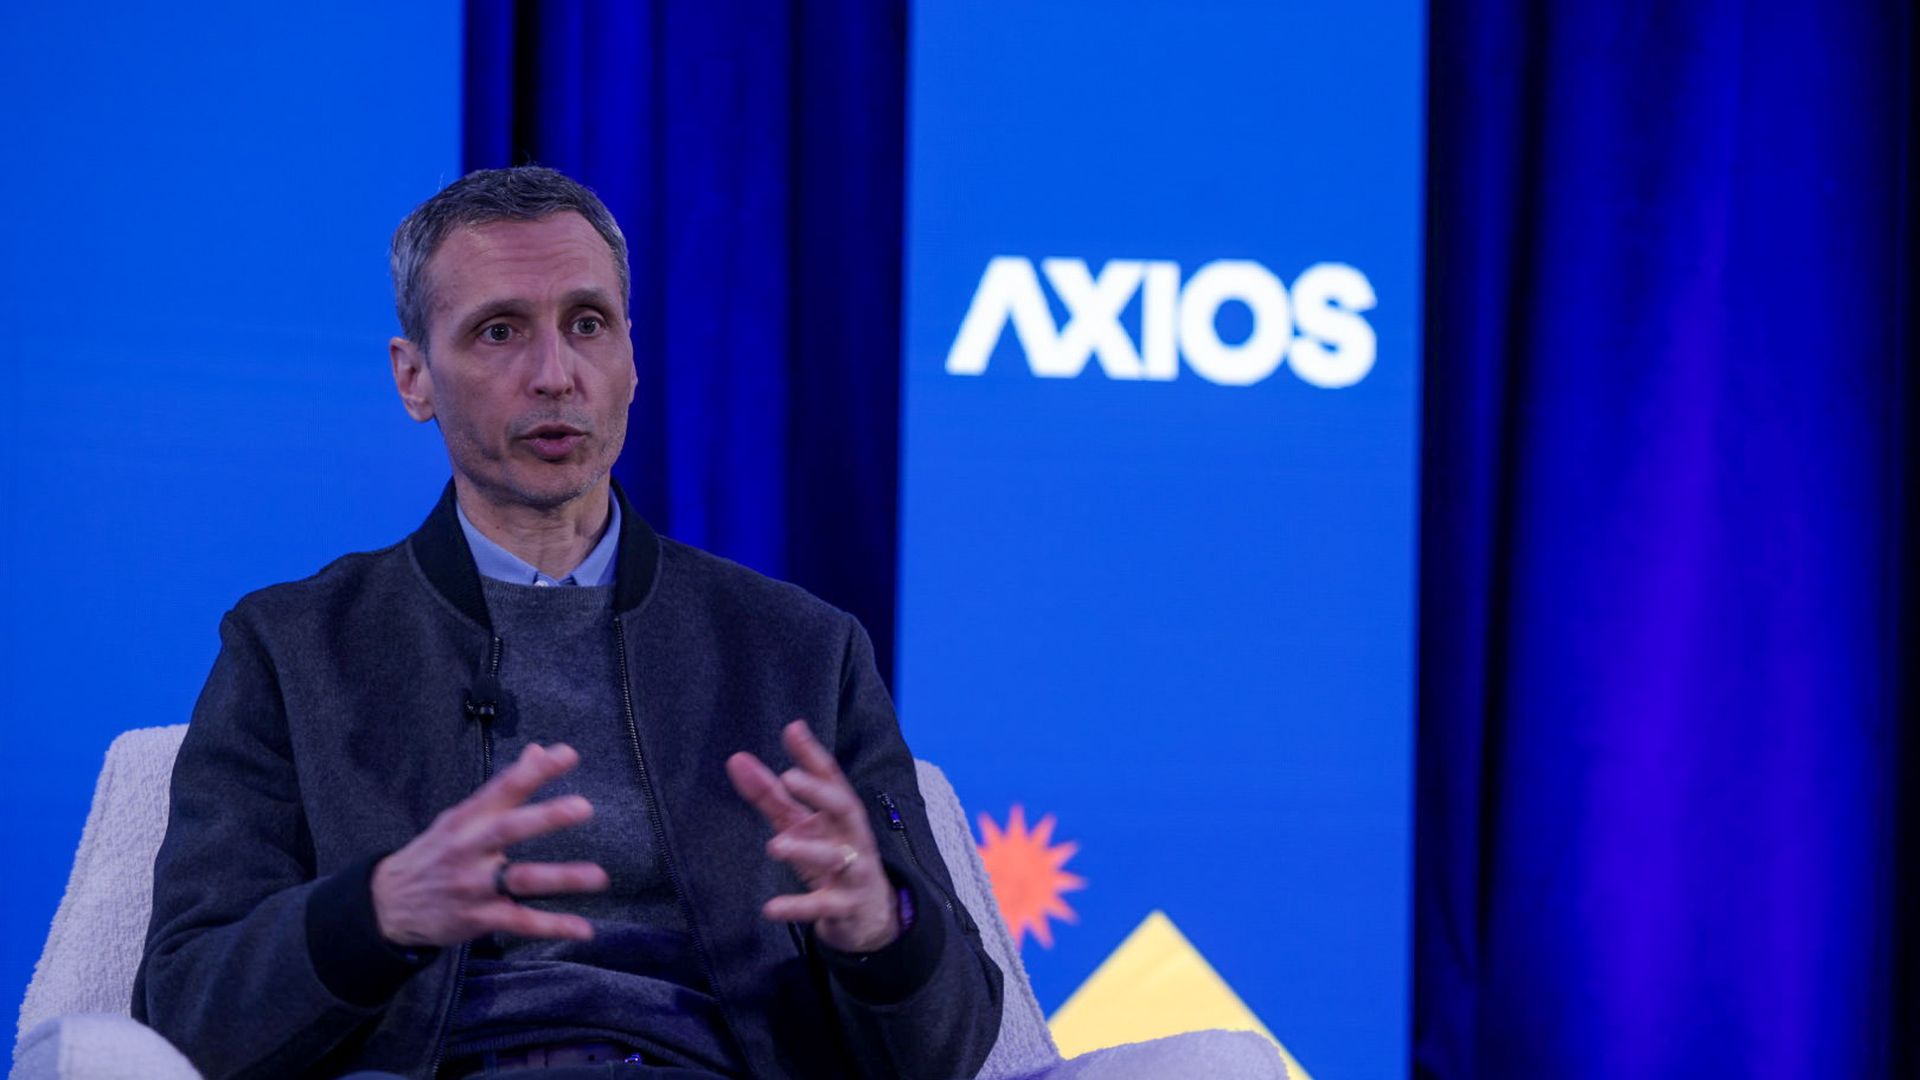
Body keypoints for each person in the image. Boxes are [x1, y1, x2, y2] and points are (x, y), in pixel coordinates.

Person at [131, 167, 1003, 1080]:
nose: (554, 375)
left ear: (632, 359)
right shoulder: (293, 647)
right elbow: (184, 1019)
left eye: (587, 324)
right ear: (414, 377)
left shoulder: (802, 651)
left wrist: (882, 933)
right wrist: (376, 911)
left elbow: (945, 1051)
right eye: (498, 331)